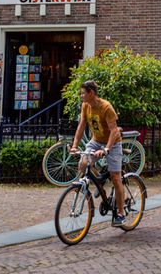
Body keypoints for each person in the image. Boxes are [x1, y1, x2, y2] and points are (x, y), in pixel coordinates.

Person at [70, 80, 127, 225]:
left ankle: (121, 213)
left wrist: (106, 149)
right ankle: (100, 186)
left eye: (83, 93)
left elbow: (114, 131)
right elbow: (81, 125)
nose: (81, 96)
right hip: (96, 141)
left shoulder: (106, 107)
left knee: (115, 177)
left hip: (113, 143)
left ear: (91, 93)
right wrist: (75, 146)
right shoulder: (85, 106)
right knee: (83, 164)